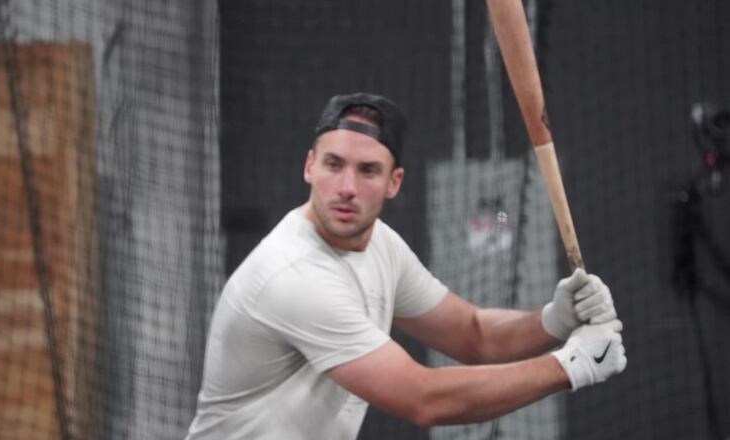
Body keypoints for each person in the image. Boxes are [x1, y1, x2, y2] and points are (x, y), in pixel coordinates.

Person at [185, 92, 626, 440]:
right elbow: (423, 399)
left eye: (368, 171)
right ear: (309, 166)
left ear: (394, 182)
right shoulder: (294, 274)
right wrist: (572, 365)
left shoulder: (382, 247)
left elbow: (472, 333)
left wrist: (553, 320)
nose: (346, 188)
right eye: (333, 165)